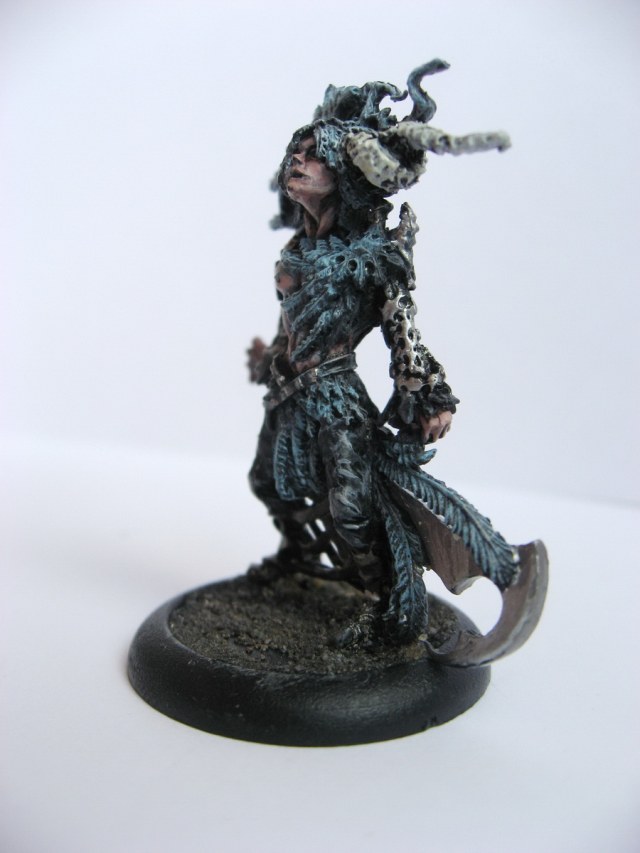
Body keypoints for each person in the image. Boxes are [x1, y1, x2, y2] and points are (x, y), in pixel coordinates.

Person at [247, 63, 517, 645]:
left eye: (314, 155)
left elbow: (403, 327)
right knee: (267, 483)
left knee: (352, 508)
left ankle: (387, 604)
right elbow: (290, 321)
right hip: (287, 393)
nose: (298, 161)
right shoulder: (296, 248)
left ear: (344, 173)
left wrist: (428, 392)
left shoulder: (374, 255)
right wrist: (269, 356)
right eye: (296, 152)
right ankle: (299, 556)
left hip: (336, 399)